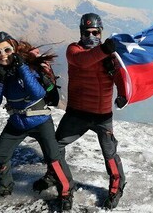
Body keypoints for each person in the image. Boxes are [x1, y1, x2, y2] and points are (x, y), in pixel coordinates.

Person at [33, 13, 127, 209]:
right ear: (81, 33)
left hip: (102, 115)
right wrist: (105, 50)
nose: (91, 36)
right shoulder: (73, 50)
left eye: (95, 32)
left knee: (110, 154)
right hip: (77, 113)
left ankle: (117, 187)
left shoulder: (109, 55)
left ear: (100, 32)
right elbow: (84, 61)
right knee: (56, 146)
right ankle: (55, 176)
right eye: (87, 33)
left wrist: (123, 94)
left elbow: (119, 74)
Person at [0, 31, 74, 211]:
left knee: (53, 158)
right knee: (0, 155)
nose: (3, 56)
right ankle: (3, 186)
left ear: (14, 49)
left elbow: (38, 93)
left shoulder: (29, 66)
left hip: (40, 119)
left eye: (7, 50)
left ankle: (66, 191)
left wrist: (22, 67)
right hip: (17, 121)